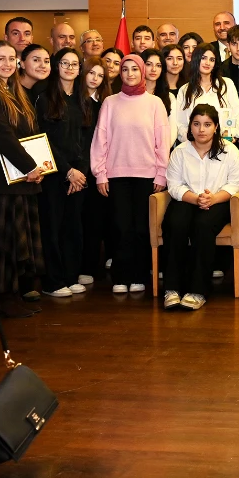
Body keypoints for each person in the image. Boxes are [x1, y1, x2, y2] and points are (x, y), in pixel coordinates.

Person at [0, 40, 45, 318]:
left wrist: (39, 166)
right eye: (0, 58)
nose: (6, 63)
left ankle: (15, 294)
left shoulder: (15, 91)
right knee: (2, 242)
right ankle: (2, 297)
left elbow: (29, 133)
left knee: (19, 241)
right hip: (1, 180)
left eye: (11, 58)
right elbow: (2, 135)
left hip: (21, 178)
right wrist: (30, 166)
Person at [91, 53, 170, 295]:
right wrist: (100, 173)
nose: (129, 73)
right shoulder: (110, 102)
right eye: (125, 69)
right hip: (116, 175)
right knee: (120, 227)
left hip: (147, 176)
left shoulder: (155, 103)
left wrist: (161, 173)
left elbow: (162, 141)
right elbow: (100, 139)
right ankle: (121, 276)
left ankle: (139, 275)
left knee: (141, 228)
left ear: (142, 72)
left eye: (134, 69)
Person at [162, 105, 239, 311]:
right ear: (190, 126)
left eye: (207, 124)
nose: (201, 129)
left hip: (218, 201)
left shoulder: (229, 151)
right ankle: (172, 288)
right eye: (197, 124)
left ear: (216, 127)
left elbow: (236, 182)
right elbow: (173, 185)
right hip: (188, 199)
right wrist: (196, 198)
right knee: (175, 223)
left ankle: (198, 290)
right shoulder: (180, 151)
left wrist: (213, 198)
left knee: (203, 225)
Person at [34, 48, 90, 299]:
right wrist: (67, 171)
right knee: (52, 228)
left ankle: (70, 276)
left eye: (74, 64)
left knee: (73, 228)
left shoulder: (82, 99)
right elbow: (43, 139)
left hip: (78, 176)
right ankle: (53, 281)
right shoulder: (45, 98)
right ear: (57, 66)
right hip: (55, 174)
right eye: (65, 63)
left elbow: (88, 140)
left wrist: (81, 172)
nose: (70, 68)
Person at [77, 55, 110, 285]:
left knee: (96, 220)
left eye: (100, 75)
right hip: (77, 169)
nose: (95, 78)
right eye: (91, 73)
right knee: (78, 221)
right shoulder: (73, 101)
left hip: (100, 170)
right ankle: (80, 266)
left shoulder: (106, 103)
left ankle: (90, 265)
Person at [173, 45, 239, 145]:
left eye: (212, 60)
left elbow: (237, 115)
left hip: (223, 144)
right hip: (193, 146)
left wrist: (230, 135)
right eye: (203, 58)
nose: (207, 63)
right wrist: (195, 142)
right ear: (196, 59)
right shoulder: (185, 90)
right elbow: (181, 124)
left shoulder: (227, 84)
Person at [141, 48, 172, 115]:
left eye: (158, 65)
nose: (153, 69)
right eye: (148, 64)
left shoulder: (170, 97)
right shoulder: (133, 94)